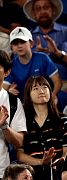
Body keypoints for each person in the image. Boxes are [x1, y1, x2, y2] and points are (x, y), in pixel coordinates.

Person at [16, 76, 67, 180]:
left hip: (59, 174)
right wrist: (41, 162)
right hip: (31, 175)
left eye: (45, 87)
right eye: (35, 88)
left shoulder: (63, 119)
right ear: (29, 96)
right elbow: (20, 154)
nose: (41, 91)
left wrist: (61, 160)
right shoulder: (22, 122)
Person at [23, 0, 67, 90]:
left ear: (53, 10)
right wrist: (34, 58)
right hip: (36, 87)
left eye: (46, 7)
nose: (42, 11)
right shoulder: (26, 38)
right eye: (38, 9)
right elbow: (18, 67)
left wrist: (58, 53)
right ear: (34, 13)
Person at [3, 26, 61, 102]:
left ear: (31, 43)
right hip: (24, 105)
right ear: (12, 48)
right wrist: (8, 93)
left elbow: (57, 81)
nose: (19, 46)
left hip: (45, 101)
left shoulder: (43, 58)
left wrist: (53, 95)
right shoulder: (11, 65)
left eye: (23, 42)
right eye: (15, 43)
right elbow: (3, 89)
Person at [0, 50, 27, 179]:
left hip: (2, 171)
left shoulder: (13, 102)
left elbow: (19, 142)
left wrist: (4, 125)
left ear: (7, 72)